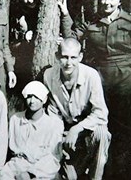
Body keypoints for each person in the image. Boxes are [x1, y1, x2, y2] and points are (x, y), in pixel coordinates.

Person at [59, 0, 131, 177]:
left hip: (127, 81)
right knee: (102, 128)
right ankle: (102, 169)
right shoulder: (92, 22)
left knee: (126, 131)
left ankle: (125, 171)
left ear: (120, 1)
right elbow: (72, 39)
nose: (107, 2)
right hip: (101, 81)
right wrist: (64, 13)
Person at [42, 38, 110, 180]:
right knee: (68, 175)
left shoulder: (91, 76)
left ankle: (95, 177)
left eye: (73, 57)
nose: (68, 63)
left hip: (86, 129)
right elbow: (53, 111)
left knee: (102, 132)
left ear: (80, 57)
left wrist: (77, 128)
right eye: (64, 57)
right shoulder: (49, 75)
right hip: (63, 130)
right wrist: (60, 137)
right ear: (57, 56)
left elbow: (101, 113)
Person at [0, 81, 64, 180]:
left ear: (44, 99)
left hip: (42, 167)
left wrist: (31, 174)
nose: (32, 101)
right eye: (29, 96)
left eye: (36, 97)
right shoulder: (16, 119)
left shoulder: (54, 124)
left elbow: (54, 158)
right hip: (17, 164)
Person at [10, 0, 40, 94]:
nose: (30, 0)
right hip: (26, 48)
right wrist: (24, 34)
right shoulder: (20, 11)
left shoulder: (43, 4)